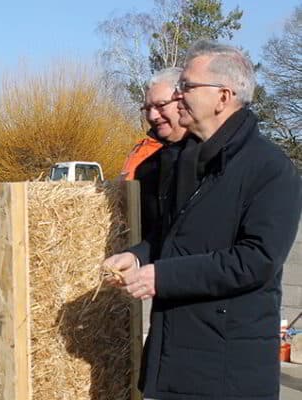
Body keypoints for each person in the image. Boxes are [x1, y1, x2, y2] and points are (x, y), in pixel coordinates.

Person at [104, 40, 302, 399]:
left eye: (188, 87)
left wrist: (162, 276)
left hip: (227, 372)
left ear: (223, 97)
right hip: (174, 359)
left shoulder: (270, 168)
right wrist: (138, 256)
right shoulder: (186, 163)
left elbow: (257, 260)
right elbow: (171, 238)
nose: (179, 96)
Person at [125, 67, 188, 261]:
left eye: (161, 105)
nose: (152, 116)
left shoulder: (212, 159)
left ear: (185, 101)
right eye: (147, 108)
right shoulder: (145, 167)